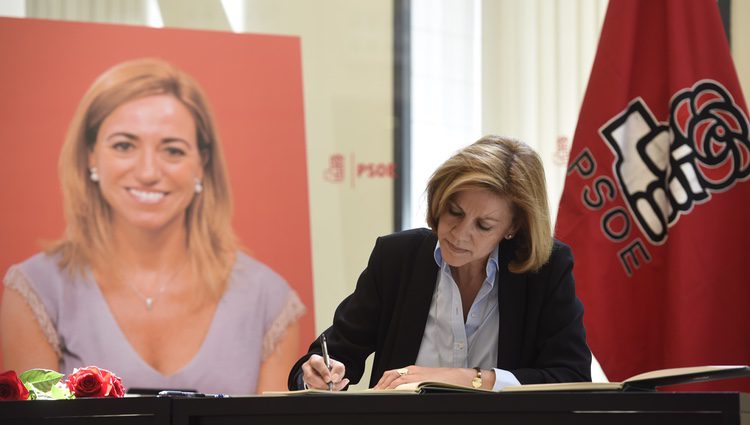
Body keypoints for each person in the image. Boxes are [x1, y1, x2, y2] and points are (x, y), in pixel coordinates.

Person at [0, 58, 305, 394]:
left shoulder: (269, 300)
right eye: (124, 146)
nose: (148, 171)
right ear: (90, 155)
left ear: (201, 164)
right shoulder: (36, 292)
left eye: (173, 150)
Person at [289, 135, 591, 391]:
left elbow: (572, 378)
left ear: (513, 228)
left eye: (483, 225)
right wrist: (317, 374)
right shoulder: (397, 258)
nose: (460, 234)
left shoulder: (545, 270)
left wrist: (470, 379)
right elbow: (332, 354)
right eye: (454, 212)